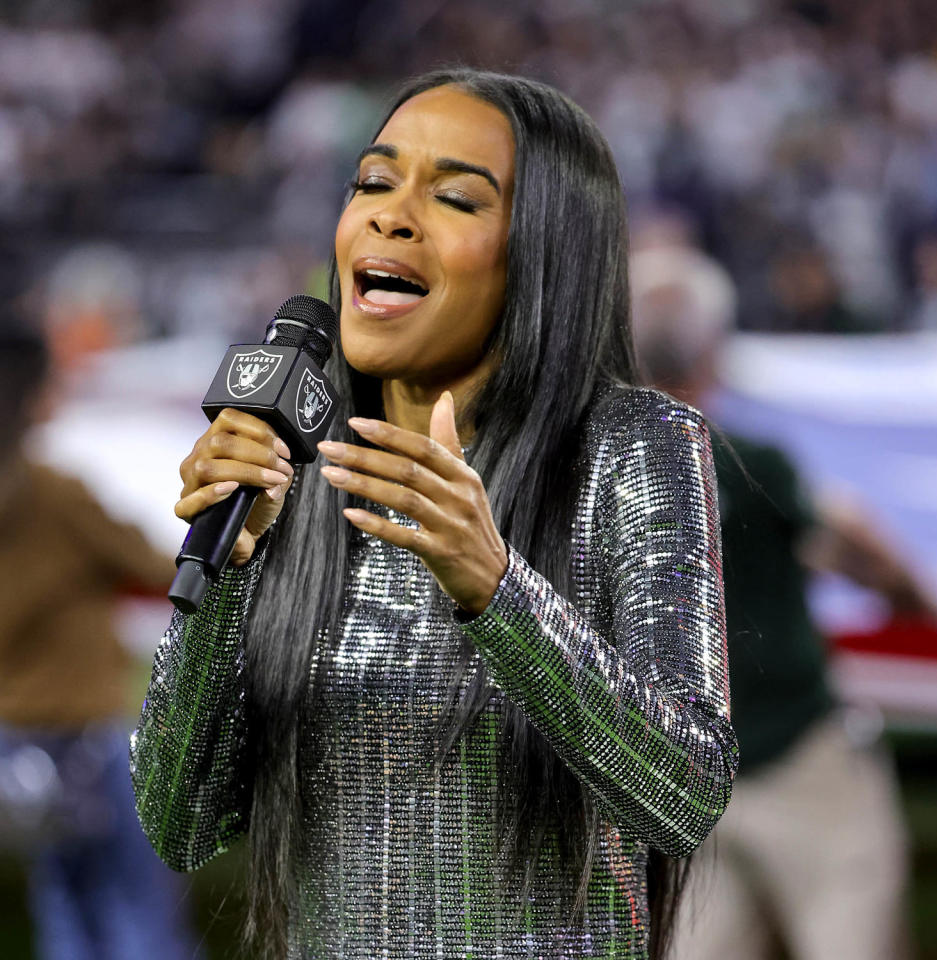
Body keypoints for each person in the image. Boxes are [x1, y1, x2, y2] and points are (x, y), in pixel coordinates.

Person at [131, 69, 738, 960]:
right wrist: (229, 576)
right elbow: (179, 827)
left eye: (454, 196)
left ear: (543, 253)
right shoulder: (294, 464)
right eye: (373, 183)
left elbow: (684, 793)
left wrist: (495, 591)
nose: (390, 214)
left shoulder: (630, 443)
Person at [628, 245, 933, 960]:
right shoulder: (750, 463)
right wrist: (916, 601)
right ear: (712, 351)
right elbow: (857, 545)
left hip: (690, 781)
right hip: (799, 764)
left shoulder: (603, 473)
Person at [0, 322, 200, 960]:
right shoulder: (55, 493)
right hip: (80, 733)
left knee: (64, 911)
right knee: (135, 914)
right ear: (35, 393)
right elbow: (160, 566)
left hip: (13, 742)